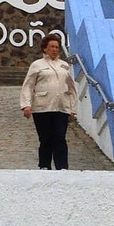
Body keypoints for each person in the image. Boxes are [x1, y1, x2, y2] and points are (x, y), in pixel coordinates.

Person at [20, 32, 79, 170]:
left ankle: (62, 166)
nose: (54, 50)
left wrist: (72, 109)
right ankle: (44, 166)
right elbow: (28, 85)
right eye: (51, 46)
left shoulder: (64, 66)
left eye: (57, 47)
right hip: (42, 107)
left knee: (60, 137)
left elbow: (71, 89)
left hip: (61, 107)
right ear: (45, 48)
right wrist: (26, 105)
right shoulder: (37, 65)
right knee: (45, 138)